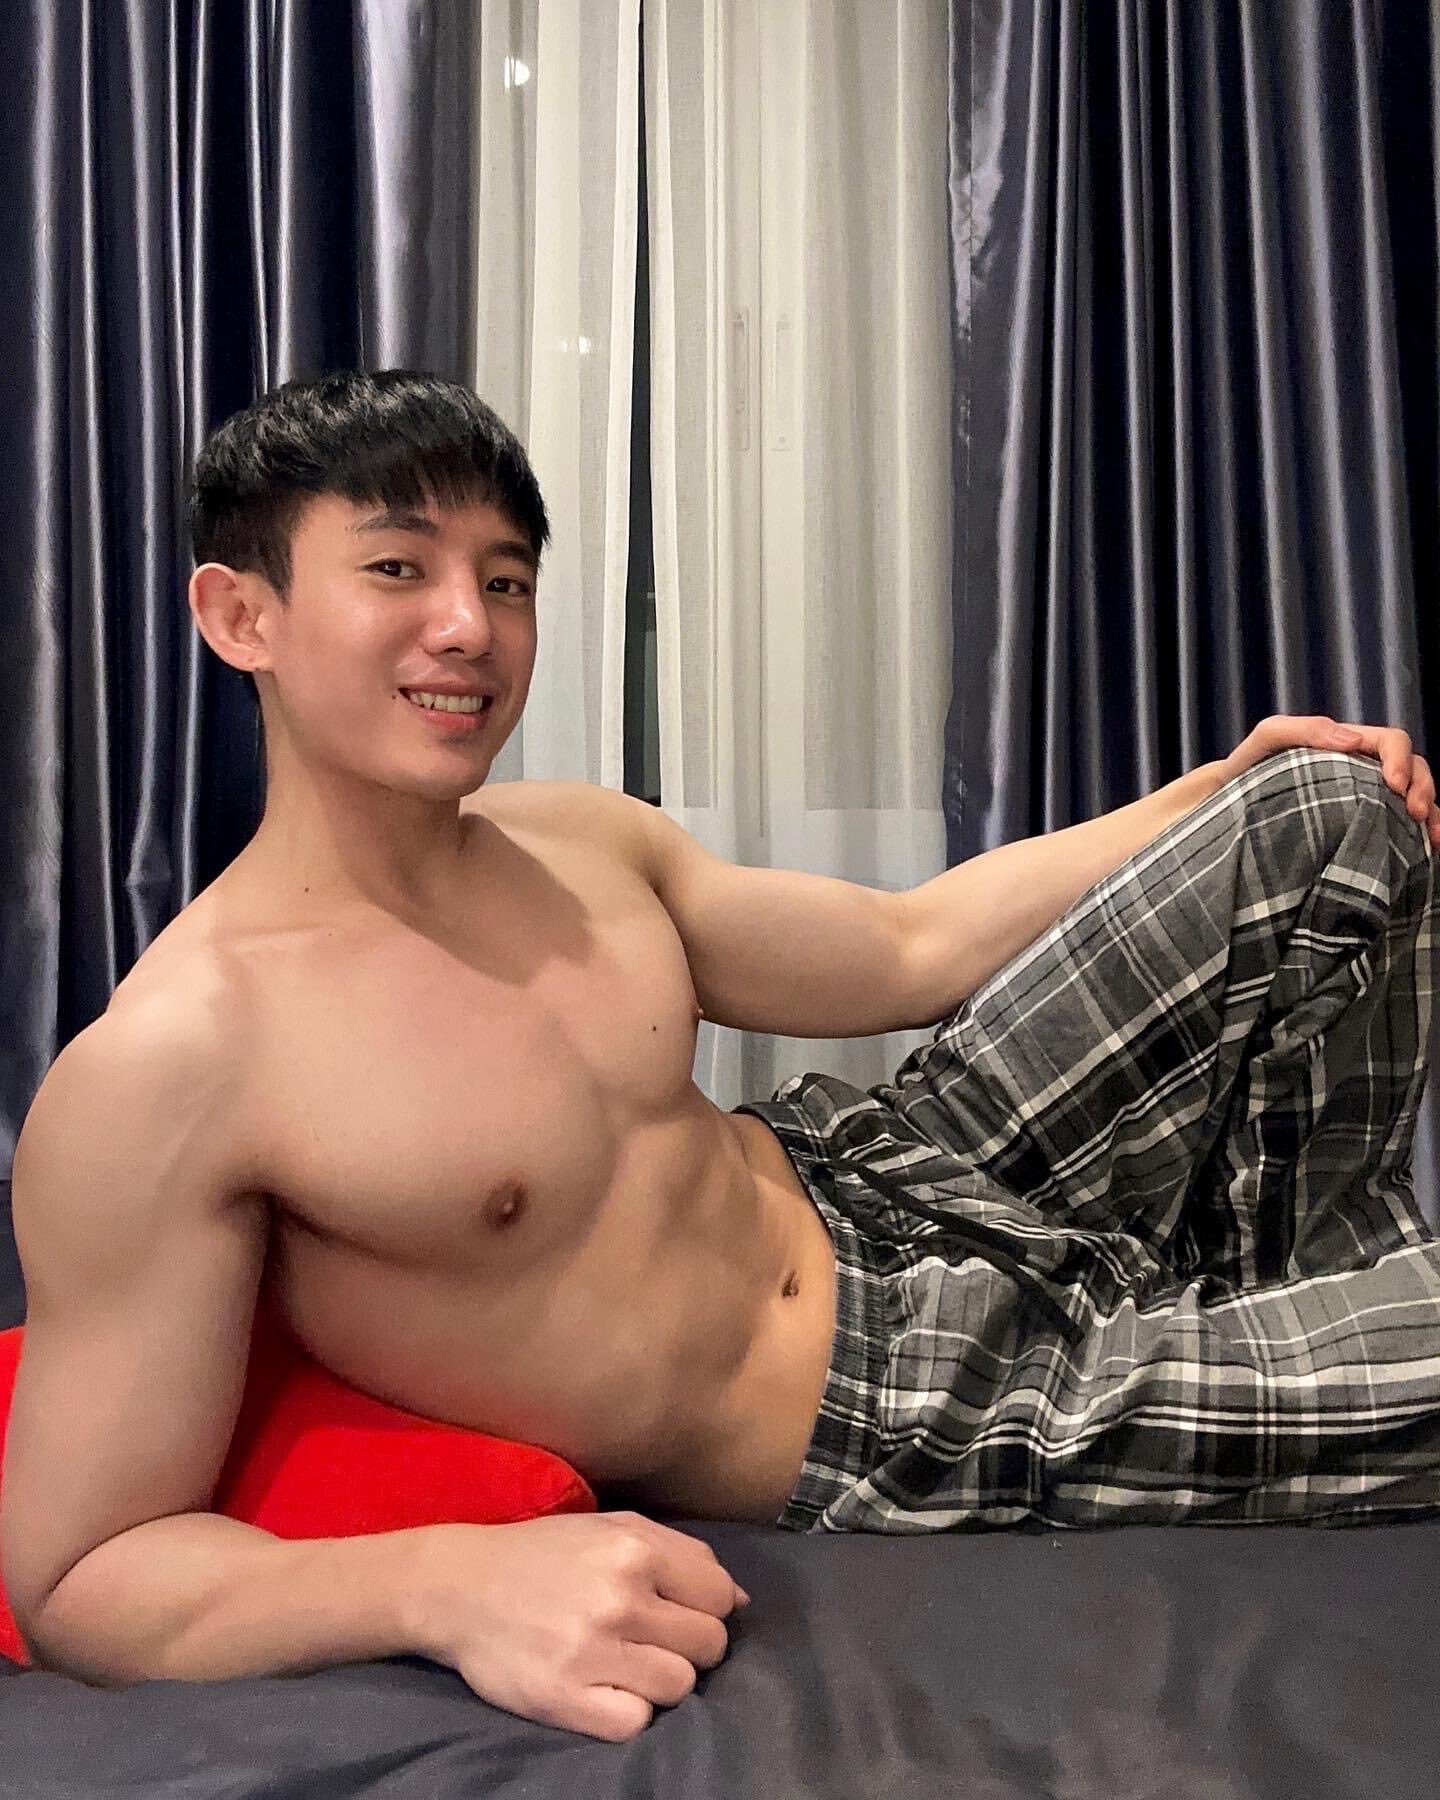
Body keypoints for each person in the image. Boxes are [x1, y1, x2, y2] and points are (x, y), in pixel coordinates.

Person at [2, 369, 1437, 1745]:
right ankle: (1279, 1352)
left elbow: (907, 947)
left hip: (889, 1165)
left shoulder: (575, 840)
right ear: (240, 615)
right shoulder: (181, 1063)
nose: (469, 627)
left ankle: (1280, 1307)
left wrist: (1209, 791)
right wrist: (446, 1583)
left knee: (1327, 809)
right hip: (890, 1400)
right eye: (397, 570)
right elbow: (78, 1577)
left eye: (507, 581)